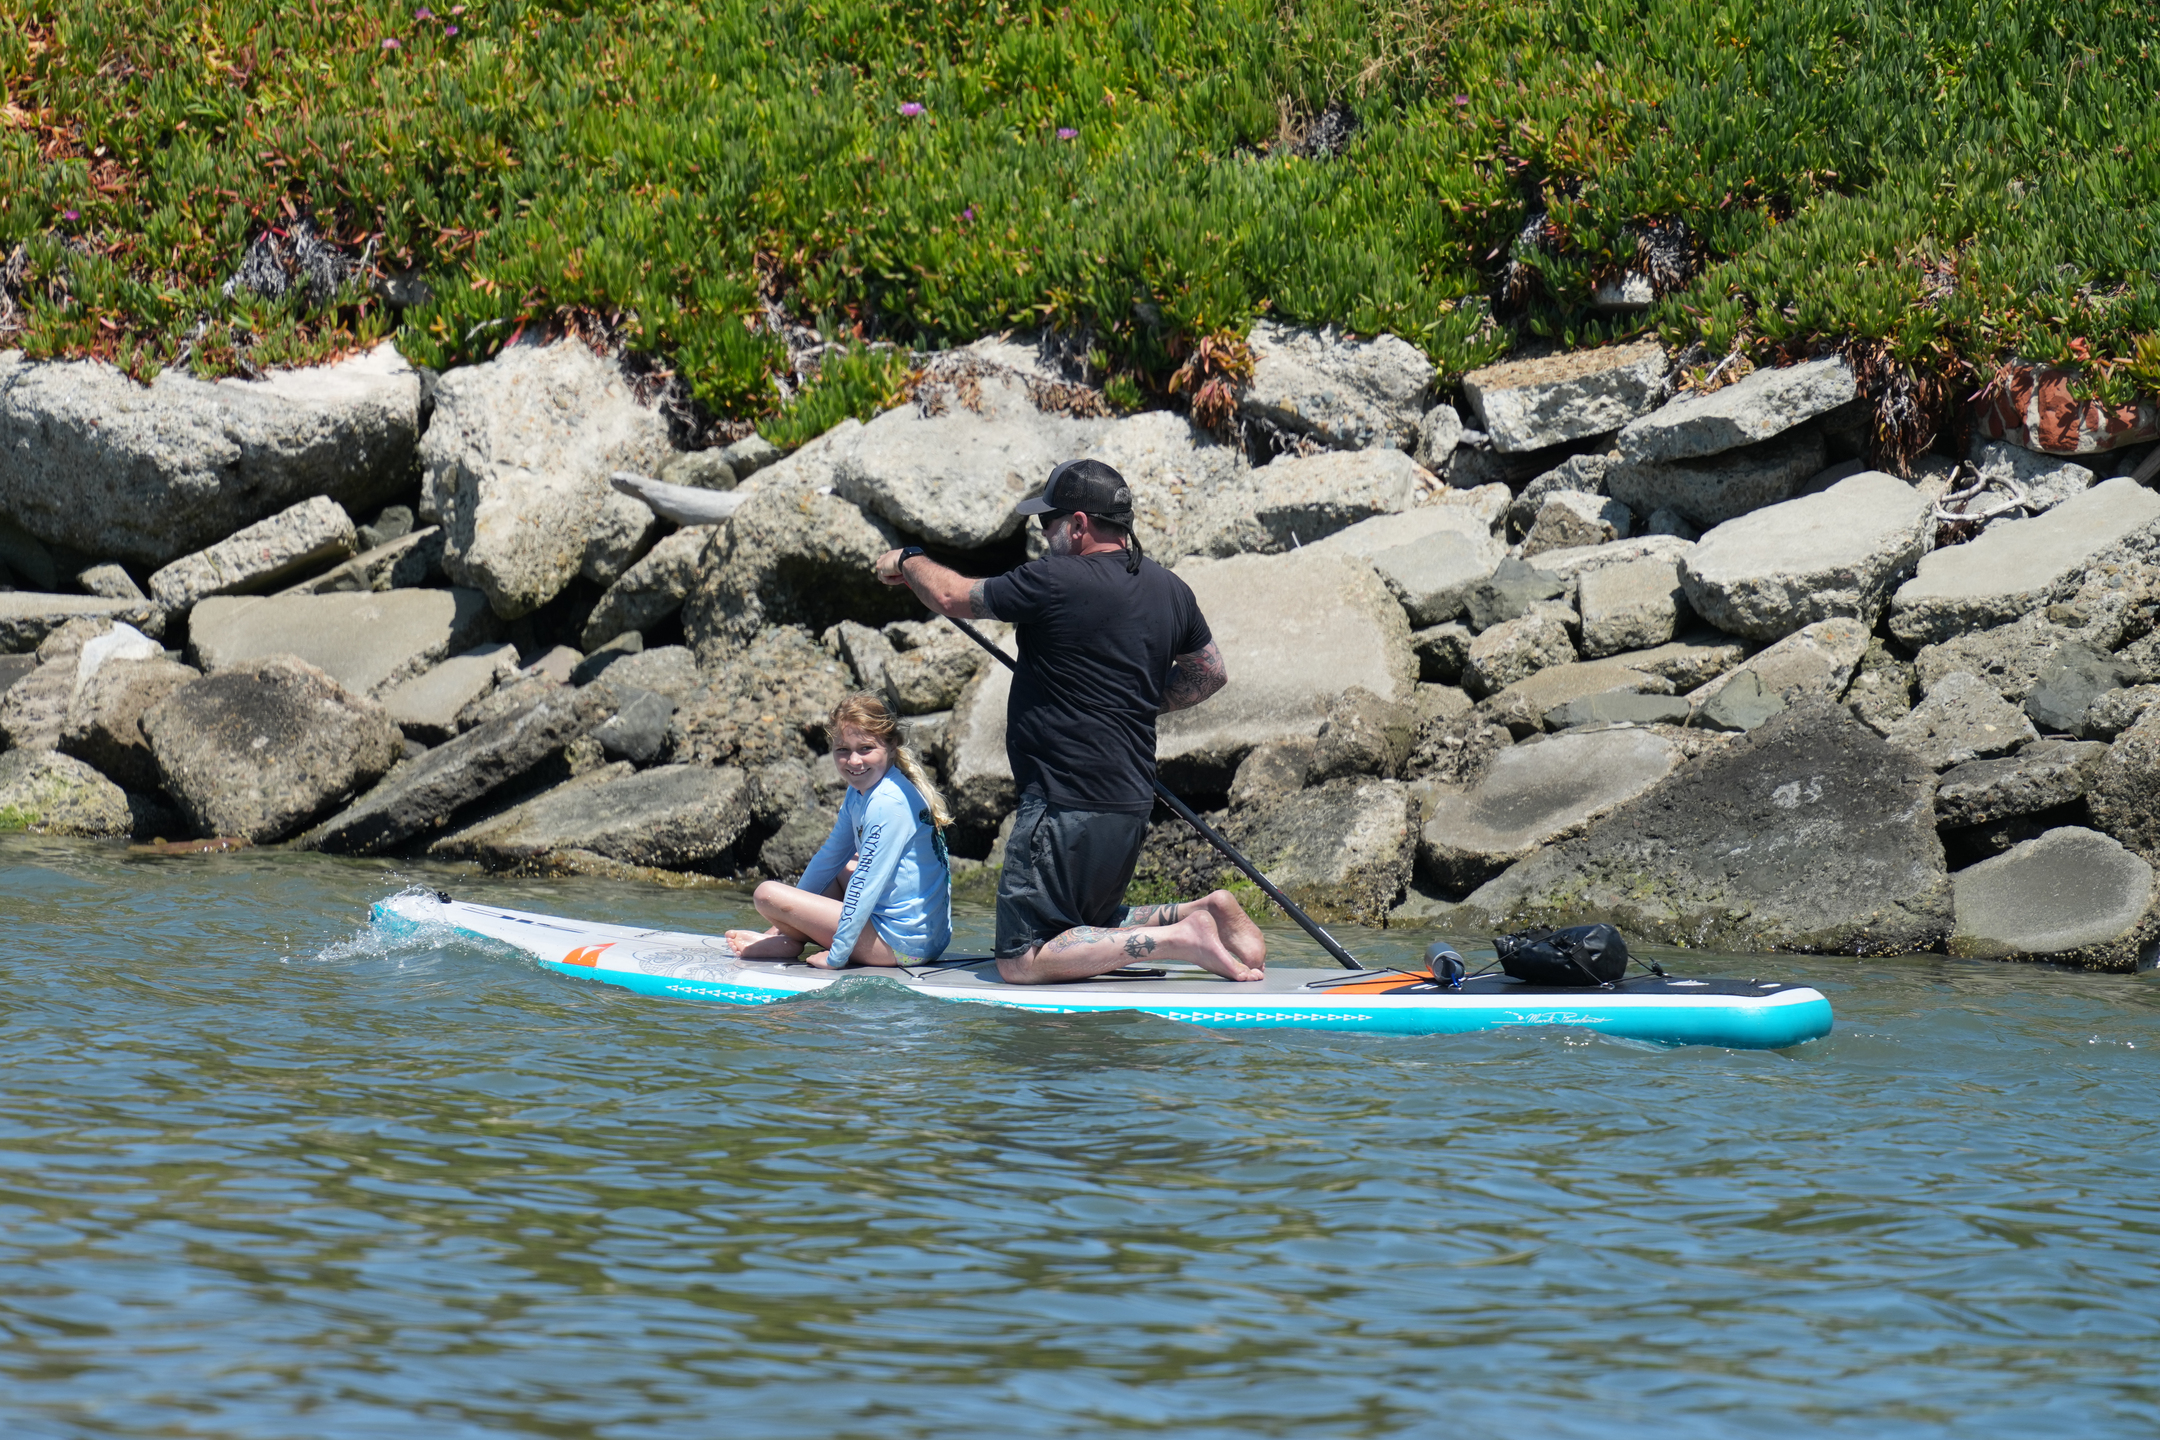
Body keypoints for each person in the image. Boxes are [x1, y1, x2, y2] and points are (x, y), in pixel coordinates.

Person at [874, 458, 1267, 985]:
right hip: (1130, 799)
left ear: (1079, 524)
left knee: (1020, 958)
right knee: (1086, 926)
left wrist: (908, 558)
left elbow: (950, 596)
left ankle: (1181, 940)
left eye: (1047, 523)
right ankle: (1204, 911)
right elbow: (1210, 673)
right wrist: (1132, 700)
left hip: (1062, 802)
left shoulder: (1053, 579)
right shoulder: (1170, 588)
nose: (1042, 536)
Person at [725, 694, 953, 969]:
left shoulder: (887, 803)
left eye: (866, 748)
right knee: (837, 870)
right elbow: (829, 857)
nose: (854, 761)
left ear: (892, 746)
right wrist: (784, 922)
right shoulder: (862, 791)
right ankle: (787, 939)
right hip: (924, 938)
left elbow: (866, 887)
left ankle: (794, 940)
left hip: (902, 946)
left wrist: (838, 955)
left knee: (766, 894)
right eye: (843, 750)